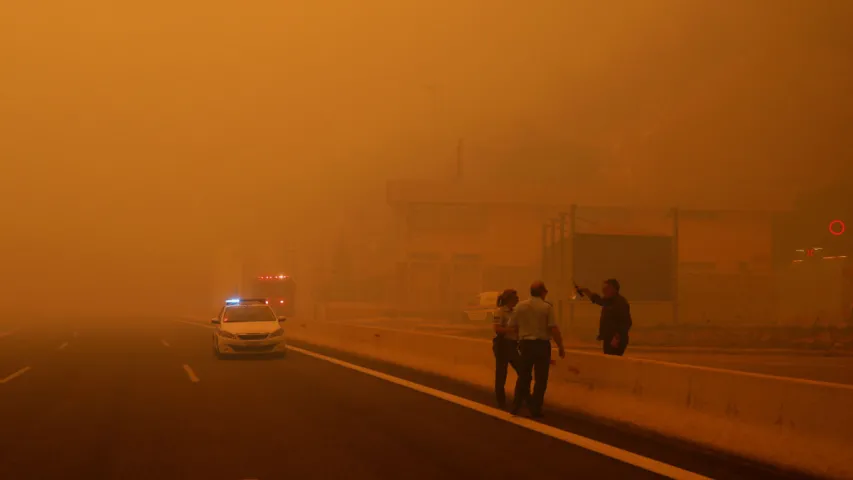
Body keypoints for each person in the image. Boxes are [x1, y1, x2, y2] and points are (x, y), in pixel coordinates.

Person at [507, 281, 565, 417]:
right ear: (542, 292)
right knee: (541, 378)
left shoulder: (520, 307)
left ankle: (516, 405)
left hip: (525, 345)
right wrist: (561, 346)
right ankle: (535, 408)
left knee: (524, 376)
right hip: (542, 346)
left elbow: (512, 326)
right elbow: (553, 328)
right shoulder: (547, 308)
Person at [578, 279, 632, 356]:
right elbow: (597, 300)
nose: (604, 290)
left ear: (614, 289)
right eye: (603, 288)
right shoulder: (608, 301)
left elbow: (626, 322)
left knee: (613, 362)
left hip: (616, 340)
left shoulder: (620, 302)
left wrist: (617, 337)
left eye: (607, 287)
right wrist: (586, 291)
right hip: (608, 338)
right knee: (609, 361)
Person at [492, 289, 520, 409]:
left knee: (523, 371)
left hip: (513, 345)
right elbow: (497, 328)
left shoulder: (515, 312)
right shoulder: (500, 312)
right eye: (515, 298)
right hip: (503, 345)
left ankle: (520, 398)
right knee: (501, 373)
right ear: (509, 299)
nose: (517, 299)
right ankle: (500, 400)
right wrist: (511, 330)